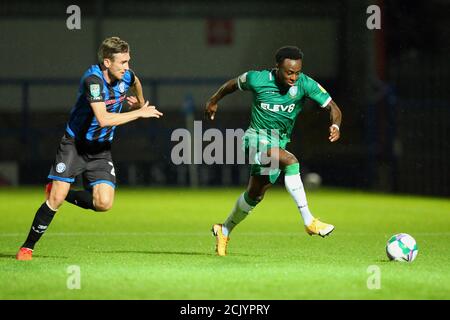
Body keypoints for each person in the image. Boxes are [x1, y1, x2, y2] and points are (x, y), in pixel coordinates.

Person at [16, 36, 163, 260]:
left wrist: (140, 101)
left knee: (104, 203)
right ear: (106, 62)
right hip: (74, 146)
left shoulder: (127, 76)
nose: (127, 67)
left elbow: (136, 81)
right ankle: (27, 247)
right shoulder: (93, 81)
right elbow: (103, 119)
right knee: (54, 200)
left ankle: (64, 194)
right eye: (122, 62)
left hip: (100, 149)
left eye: (128, 61)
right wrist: (139, 113)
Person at [205, 46, 342, 256]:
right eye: (289, 72)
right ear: (277, 67)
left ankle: (224, 229)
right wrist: (214, 100)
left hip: (278, 143)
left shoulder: (305, 84)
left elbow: (333, 108)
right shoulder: (257, 78)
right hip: (255, 140)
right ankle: (309, 220)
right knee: (291, 161)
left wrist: (335, 126)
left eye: (297, 72)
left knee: (254, 196)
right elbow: (232, 85)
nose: (294, 77)